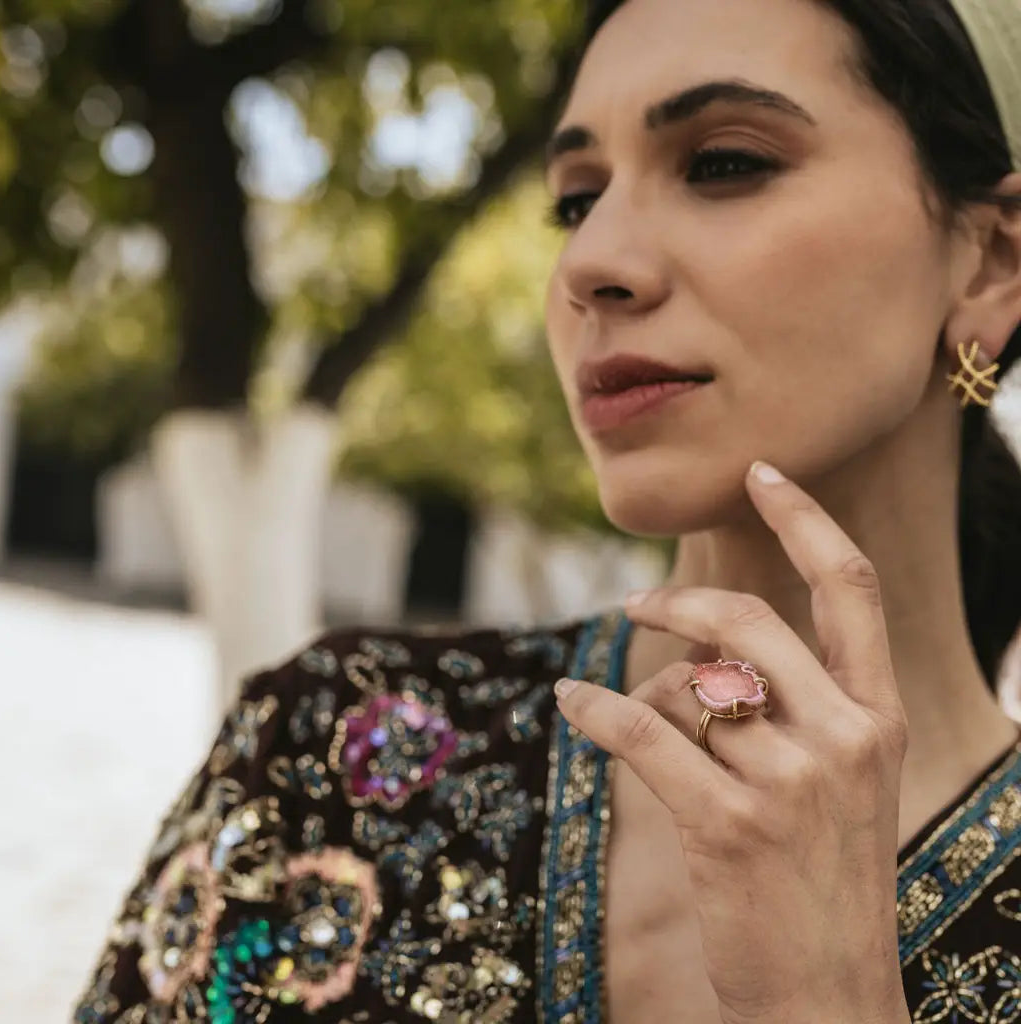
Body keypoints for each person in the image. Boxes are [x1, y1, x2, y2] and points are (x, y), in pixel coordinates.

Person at [73, 0, 1021, 1021]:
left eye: (722, 163)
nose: (587, 263)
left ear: (989, 261)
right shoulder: (326, 754)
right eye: (575, 200)